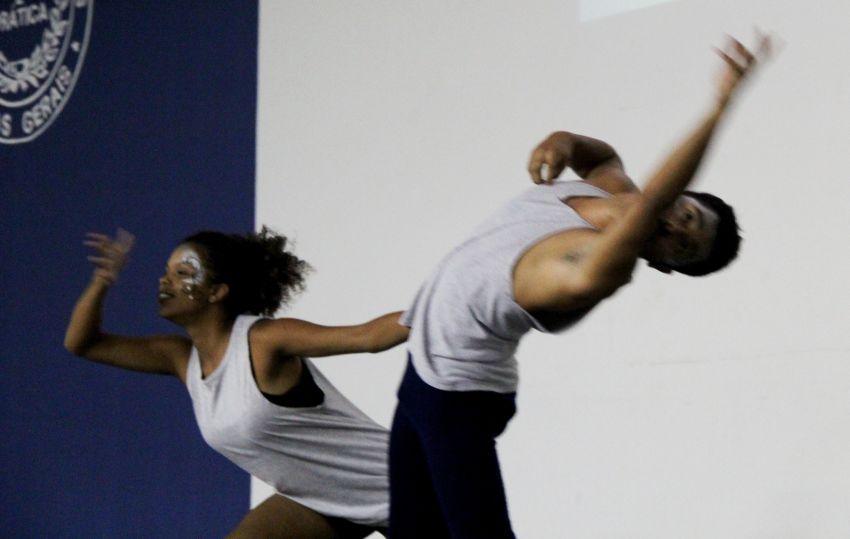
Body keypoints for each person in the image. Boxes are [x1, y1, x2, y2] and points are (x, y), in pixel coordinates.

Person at [389, 33, 773, 538]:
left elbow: (653, 201)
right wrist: (565, 140)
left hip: (458, 397)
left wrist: (718, 108)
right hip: (421, 373)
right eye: (688, 216)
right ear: (686, 199)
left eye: (683, 247)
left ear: (662, 265)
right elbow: (603, 157)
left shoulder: (599, 268)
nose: (675, 228)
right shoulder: (609, 187)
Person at [64, 226, 407, 538]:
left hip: (401, 484)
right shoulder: (181, 359)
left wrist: (433, 309)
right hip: (319, 499)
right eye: (166, 272)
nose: (164, 281)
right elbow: (83, 343)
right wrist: (103, 279)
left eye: (182, 273)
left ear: (216, 292)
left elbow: (367, 337)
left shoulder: (262, 341)